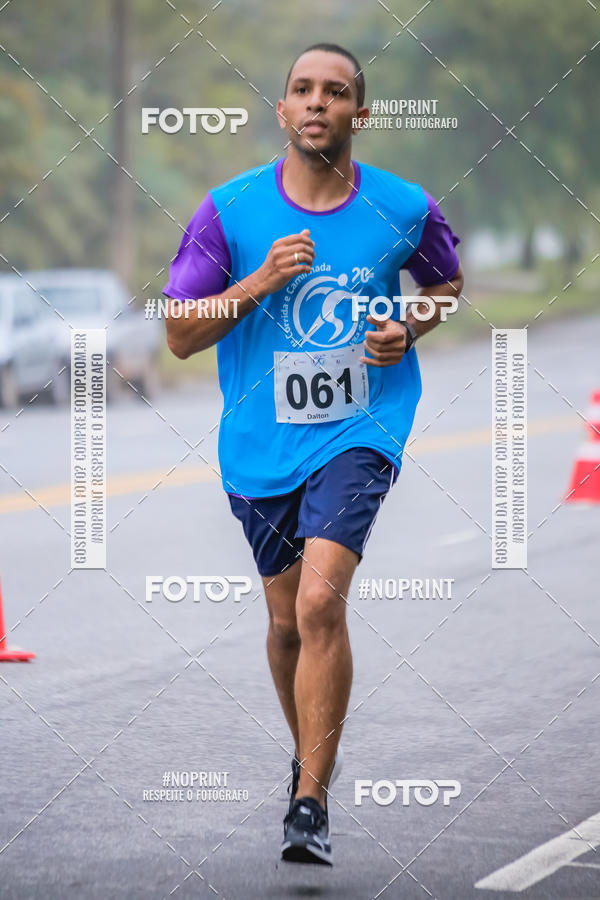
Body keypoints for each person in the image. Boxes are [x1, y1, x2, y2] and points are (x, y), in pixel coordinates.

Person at [163, 42, 463, 866]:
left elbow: (444, 286)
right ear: (283, 110)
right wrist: (258, 282)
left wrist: (410, 327)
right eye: (302, 89)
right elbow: (179, 333)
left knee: (321, 603)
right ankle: (310, 757)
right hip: (260, 444)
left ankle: (310, 803)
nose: (317, 102)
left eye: (335, 92)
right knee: (285, 622)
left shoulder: (403, 207)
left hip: (360, 430)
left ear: (359, 115)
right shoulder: (229, 211)